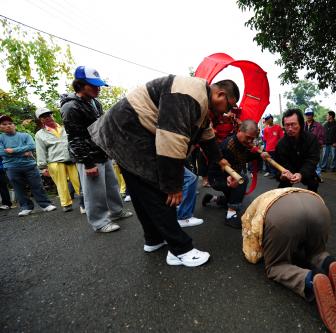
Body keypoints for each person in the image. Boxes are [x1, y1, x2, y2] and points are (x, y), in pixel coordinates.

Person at [88, 75, 240, 267]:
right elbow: (171, 139)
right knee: (159, 190)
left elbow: (206, 133)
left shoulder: (201, 100)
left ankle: (153, 239)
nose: (227, 112)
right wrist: (172, 185)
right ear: (220, 94)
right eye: (228, 106)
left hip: (122, 130)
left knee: (140, 190)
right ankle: (180, 250)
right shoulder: (190, 94)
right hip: (130, 128)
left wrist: (219, 159)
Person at [242, 188, 336, 333]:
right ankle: (330, 264)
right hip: (318, 208)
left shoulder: (251, 210)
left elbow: (252, 248)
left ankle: (312, 279)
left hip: (284, 218)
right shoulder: (288, 191)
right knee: (316, 252)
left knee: (276, 266)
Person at [61, 66, 132, 233]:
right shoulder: (70, 107)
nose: (98, 88)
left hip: (101, 151)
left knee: (111, 185)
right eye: (93, 85)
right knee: (94, 191)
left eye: (98, 85)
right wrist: (87, 163)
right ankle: (100, 222)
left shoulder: (94, 102)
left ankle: (116, 211)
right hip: (88, 156)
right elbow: (75, 138)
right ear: (80, 85)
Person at [202, 120, 264, 228]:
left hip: (229, 176)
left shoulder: (241, 143)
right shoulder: (229, 145)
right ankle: (230, 216)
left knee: (234, 196)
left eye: (252, 138)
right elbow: (227, 168)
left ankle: (213, 198)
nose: (250, 141)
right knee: (242, 180)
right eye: (248, 137)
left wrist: (260, 155)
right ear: (239, 131)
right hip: (218, 178)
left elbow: (244, 158)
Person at [0, 115, 57, 216]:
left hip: (29, 165)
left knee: (37, 185)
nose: (8, 126)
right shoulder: (1, 138)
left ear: (14, 125)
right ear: (1, 127)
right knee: (18, 188)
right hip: (11, 167)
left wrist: (13, 150)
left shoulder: (25, 135)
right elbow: (2, 152)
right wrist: (23, 152)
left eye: (10, 123)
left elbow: (32, 146)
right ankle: (26, 207)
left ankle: (45, 204)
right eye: (4, 124)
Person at [34, 108, 81, 212]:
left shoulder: (65, 128)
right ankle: (66, 204)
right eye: (44, 117)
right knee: (61, 184)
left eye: (49, 115)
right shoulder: (40, 134)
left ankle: (85, 201)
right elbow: (40, 151)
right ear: (40, 120)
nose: (48, 118)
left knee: (79, 181)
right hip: (55, 162)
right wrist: (43, 167)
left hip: (71, 159)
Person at [275, 109, 321, 193]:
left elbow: (312, 160)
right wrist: (282, 175)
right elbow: (281, 163)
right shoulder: (281, 144)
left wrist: (301, 174)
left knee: (313, 183)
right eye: (287, 125)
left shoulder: (311, 139)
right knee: (281, 191)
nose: (290, 129)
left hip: (306, 168)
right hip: (289, 169)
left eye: (293, 124)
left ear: (301, 124)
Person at [304, 107, 325, 181]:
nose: (308, 116)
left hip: (315, 147)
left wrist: (319, 144)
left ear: (312, 115)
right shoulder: (303, 125)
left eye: (309, 114)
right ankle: (309, 175)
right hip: (305, 147)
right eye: (307, 114)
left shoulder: (318, 125)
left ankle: (318, 176)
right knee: (306, 161)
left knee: (317, 162)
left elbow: (322, 137)